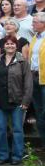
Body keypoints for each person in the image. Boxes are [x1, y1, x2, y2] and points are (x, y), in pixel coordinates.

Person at [0, 35, 32, 165]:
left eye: (12, 44)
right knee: (1, 129)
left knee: (17, 129)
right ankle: (3, 155)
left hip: (17, 102)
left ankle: (17, 155)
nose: (10, 46)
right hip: (0, 102)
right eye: (7, 44)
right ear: (3, 46)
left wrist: (25, 101)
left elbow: (28, 83)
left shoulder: (22, 61)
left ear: (16, 46)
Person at [29, 12, 45, 147]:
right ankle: (43, 142)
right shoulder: (35, 37)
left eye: (34, 22)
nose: (32, 24)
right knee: (39, 111)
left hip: (44, 78)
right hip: (34, 77)